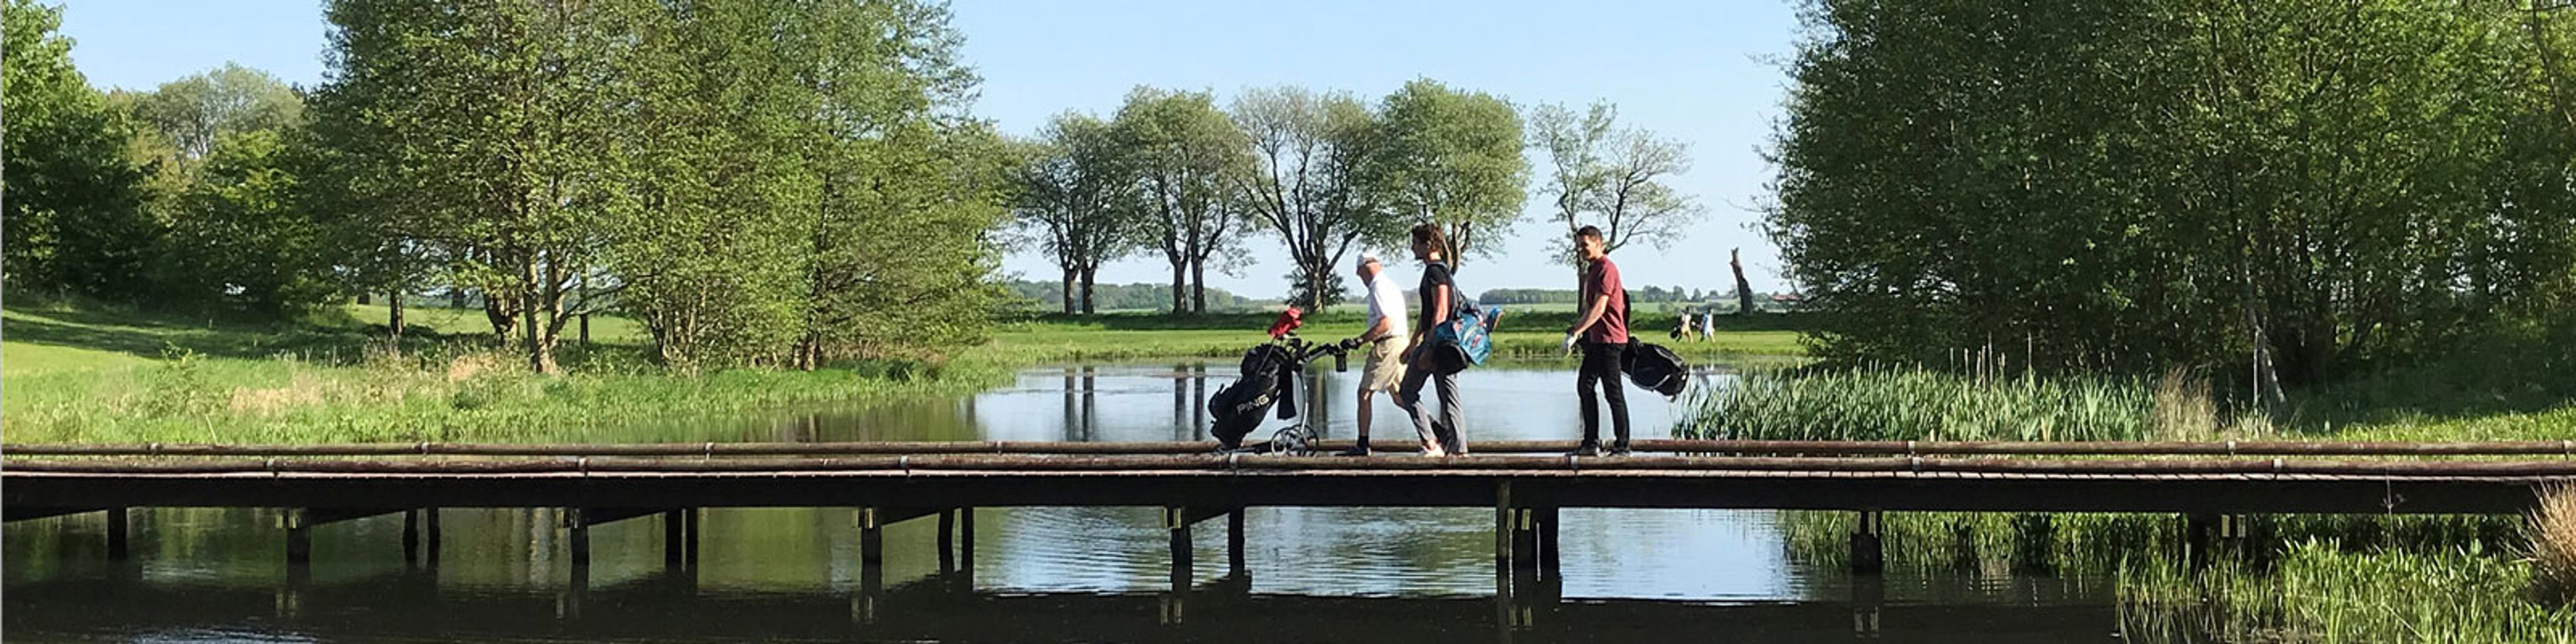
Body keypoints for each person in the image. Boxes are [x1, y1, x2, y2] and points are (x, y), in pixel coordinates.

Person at [1395, 224, 1466, 456]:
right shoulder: (1438, 270)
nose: (1411, 247)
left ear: (1428, 245)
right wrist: (1412, 344)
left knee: (1407, 391)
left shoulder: (1435, 271)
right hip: (1440, 341)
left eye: (1415, 243)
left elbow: (1440, 311)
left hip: (1438, 342)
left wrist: (1429, 349)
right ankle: (1458, 449)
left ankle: (1431, 443)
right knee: (1449, 398)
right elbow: (1426, 316)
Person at [1565, 226, 1631, 456]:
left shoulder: (1606, 269)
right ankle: (1590, 443)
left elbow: (1601, 308)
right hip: (1596, 341)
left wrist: (1579, 331)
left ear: (1598, 244)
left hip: (1611, 340)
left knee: (1613, 393)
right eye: (1579, 246)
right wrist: (1576, 330)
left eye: (1585, 245)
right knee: (1585, 387)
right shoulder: (1592, 270)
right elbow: (1590, 308)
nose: (1581, 250)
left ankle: (1622, 446)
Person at [1337, 255, 1410, 456]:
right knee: (1402, 397)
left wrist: (1359, 341)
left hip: (1387, 345)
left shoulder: (1377, 287)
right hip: (1400, 342)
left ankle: (1362, 445)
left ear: (1362, 270)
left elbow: (1385, 323)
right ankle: (1438, 433)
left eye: (1360, 272)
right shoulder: (1390, 285)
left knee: (1364, 393)